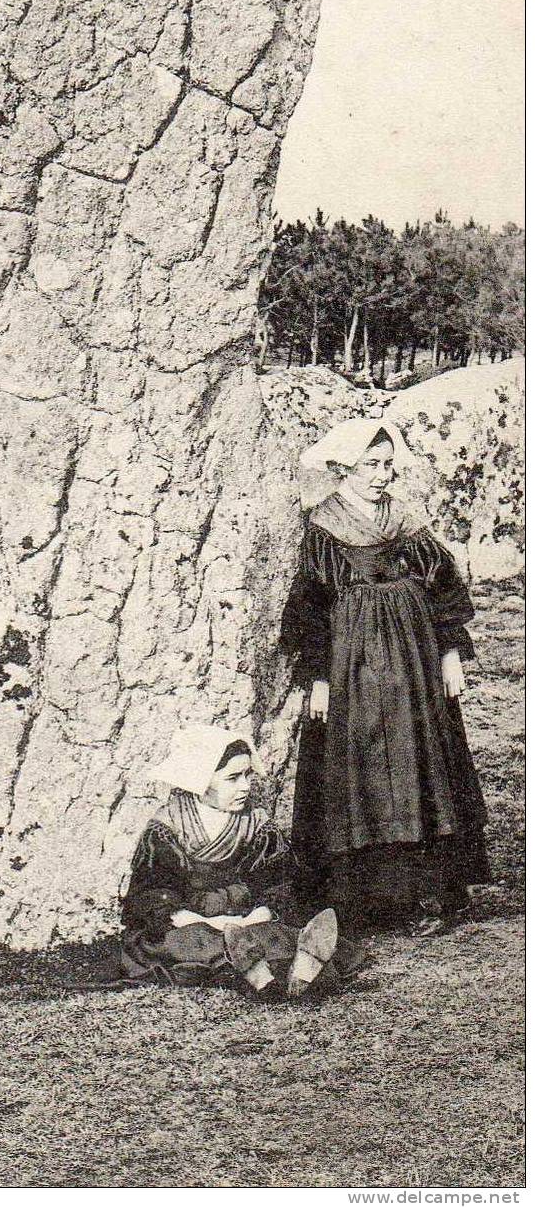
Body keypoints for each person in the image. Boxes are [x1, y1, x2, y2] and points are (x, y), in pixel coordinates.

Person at [286, 418, 490, 937]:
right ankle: (366, 902)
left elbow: (444, 589)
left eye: (386, 466)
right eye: (370, 467)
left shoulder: (405, 522)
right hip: (352, 674)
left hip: (415, 670)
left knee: (421, 764)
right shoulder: (323, 529)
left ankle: (431, 893)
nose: (381, 476)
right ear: (342, 470)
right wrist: (319, 679)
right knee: (361, 772)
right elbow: (310, 611)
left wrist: (450, 654)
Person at [119, 724, 360, 998]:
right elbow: (154, 894)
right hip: (192, 921)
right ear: (199, 780)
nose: (245, 786)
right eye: (233, 778)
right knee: (191, 943)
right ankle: (261, 974)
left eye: (247, 775)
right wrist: (209, 922)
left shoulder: (255, 822)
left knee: (271, 934)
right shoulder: (168, 826)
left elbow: (277, 882)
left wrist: (258, 915)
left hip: (247, 917)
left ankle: (296, 968)